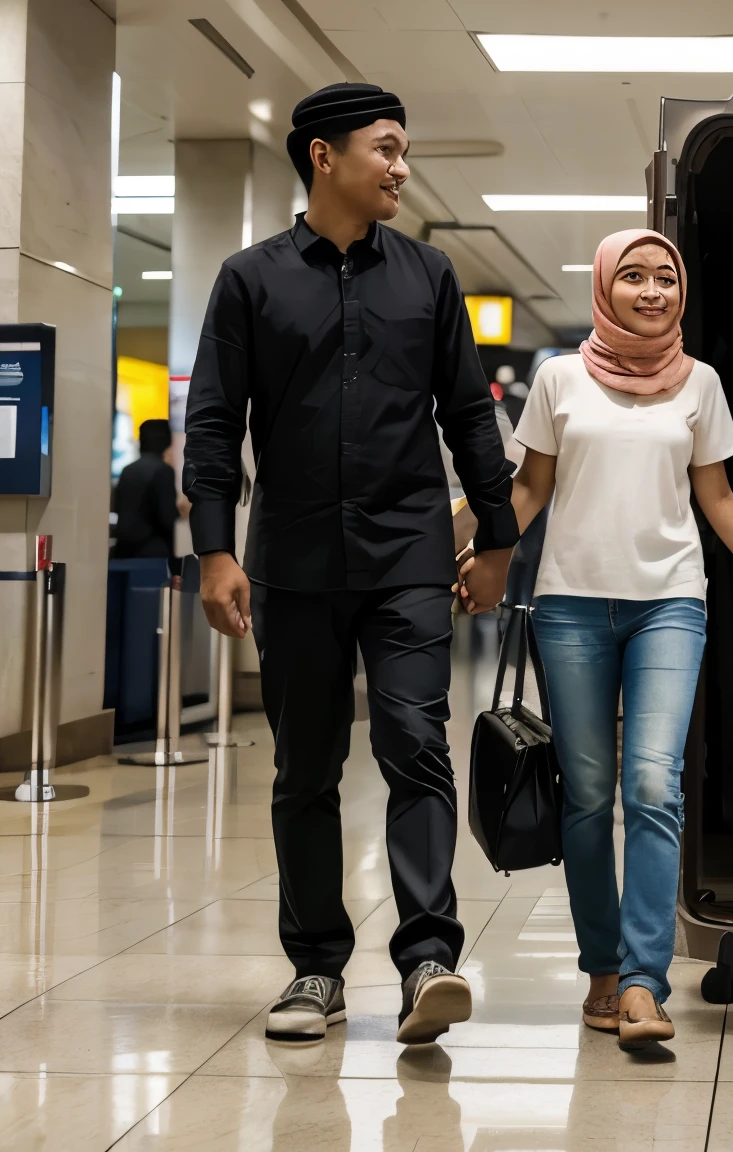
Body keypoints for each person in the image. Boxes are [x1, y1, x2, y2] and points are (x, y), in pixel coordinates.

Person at [182, 83, 518, 1047]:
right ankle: (316, 970)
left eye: (404, 149)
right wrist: (215, 550)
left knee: (414, 745)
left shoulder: (428, 273)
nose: (402, 168)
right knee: (305, 768)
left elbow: (466, 414)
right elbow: (213, 423)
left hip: (408, 553)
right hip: (289, 560)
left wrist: (495, 540)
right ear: (323, 156)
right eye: (387, 149)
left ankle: (428, 960)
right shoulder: (249, 280)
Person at [490, 228, 733, 1051]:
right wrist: (472, 559)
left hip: (669, 601)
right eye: (634, 277)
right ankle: (600, 967)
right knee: (588, 796)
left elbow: (719, 497)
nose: (652, 290)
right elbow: (529, 489)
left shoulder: (699, 384)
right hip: (569, 604)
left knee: (654, 787)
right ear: (606, 286)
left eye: (666, 278)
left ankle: (641, 984)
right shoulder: (559, 378)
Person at [112, 419, 178, 560]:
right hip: (153, 553)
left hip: (124, 551)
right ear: (166, 440)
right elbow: (167, 517)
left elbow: (118, 507)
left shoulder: (127, 470)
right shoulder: (163, 471)